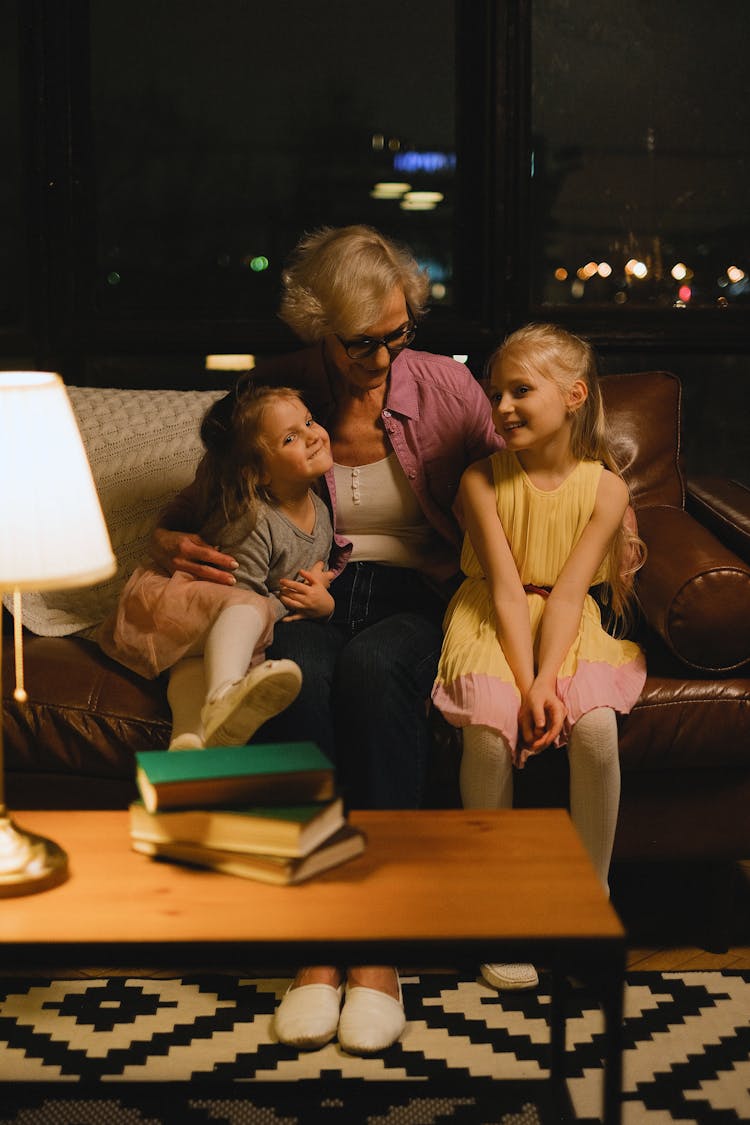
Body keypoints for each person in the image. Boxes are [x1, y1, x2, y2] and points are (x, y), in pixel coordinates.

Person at [148, 224, 503, 1054]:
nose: (381, 358)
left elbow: (519, 476)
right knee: (295, 675)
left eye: (397, 334)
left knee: (378, 670)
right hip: (305, 597)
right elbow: (195, 510)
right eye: (360, 343)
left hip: (416, 591)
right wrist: (172, 544)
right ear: (317, 327)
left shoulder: (446, 392)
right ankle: (316, 945)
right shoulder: (280, 394)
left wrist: (603, 514)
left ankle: (378, 950)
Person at [432, 322, 647, 991]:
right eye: (496, 392)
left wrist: (549, 681)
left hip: (566, 621)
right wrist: (528, 688)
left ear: (574, 395)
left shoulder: (605, 489)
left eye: (520, 390)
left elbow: (569, 595)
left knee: (595, 728)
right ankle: (495, 907)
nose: (501, 407)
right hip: (491, 619)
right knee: (493, 732)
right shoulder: (481, 480)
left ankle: (588, 901)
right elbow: (502, 588)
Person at [98, 384, 342, 749]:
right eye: (291, 438)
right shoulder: (255, 520)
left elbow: (307, 583)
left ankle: (190, 744)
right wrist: (291, 602)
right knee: (245, 613)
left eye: (309, 422)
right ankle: (226, 690)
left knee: (191, 673)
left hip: (206, 632)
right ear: (259, 473)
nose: (312, 437)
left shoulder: (319, 509)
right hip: (179, 608)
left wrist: (325, 604)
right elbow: (240, 598)